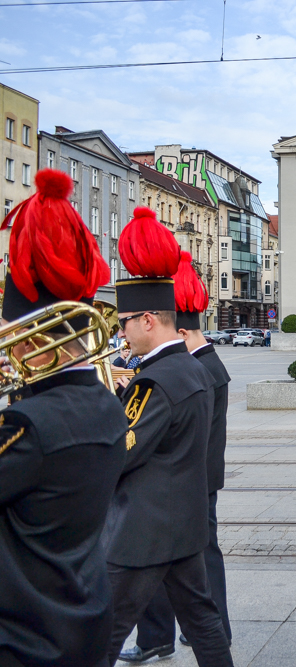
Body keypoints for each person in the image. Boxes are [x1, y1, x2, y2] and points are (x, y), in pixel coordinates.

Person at [0, 169, 128, 667]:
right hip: (82, 617)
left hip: (25, 636)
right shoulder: (103, 404)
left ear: (34, 338)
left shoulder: (30, 425)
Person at [104, 208, 233, 667]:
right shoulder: (193, 370)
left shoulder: (153, 381)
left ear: (147, 321)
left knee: (103, 631)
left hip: (144, 532)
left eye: (124, 322)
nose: (121, 332)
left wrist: (105, 409)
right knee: (203, 624)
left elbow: (122, 452)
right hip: (185, 524)